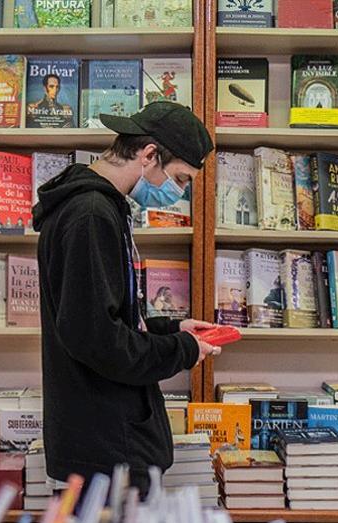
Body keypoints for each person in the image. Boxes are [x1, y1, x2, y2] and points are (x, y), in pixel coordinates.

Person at [33, 101, 219, 495]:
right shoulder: (90, 214)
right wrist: (181, 351)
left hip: (107, 445)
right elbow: (98, 339)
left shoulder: (100, 209)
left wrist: (172, 327)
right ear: (149, 154)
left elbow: (106, 315)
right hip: (106, 452)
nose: (179, 193)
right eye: (181, 179)